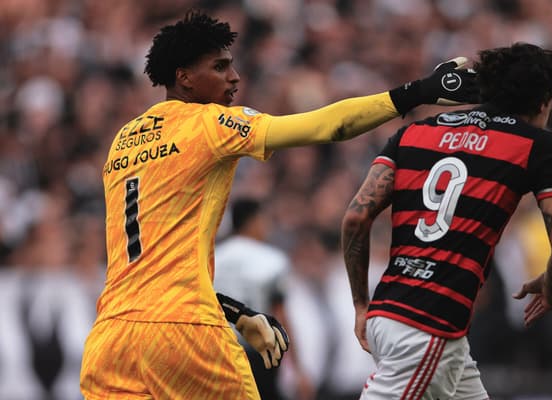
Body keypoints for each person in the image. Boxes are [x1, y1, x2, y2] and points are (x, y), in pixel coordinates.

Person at [79, 9, 479, 400]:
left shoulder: (123, 142)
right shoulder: (209, 124)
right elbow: (328, 126)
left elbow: (152, 270)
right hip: (183, 330)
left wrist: (236, 313)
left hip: (110, 339)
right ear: (184, 77)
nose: (234, 77)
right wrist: (417, 93)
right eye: (219, 67)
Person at [341, 42, 552, 400]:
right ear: (544, 101)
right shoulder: (536, 145)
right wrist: (550, 284)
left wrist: (361, 304)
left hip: (392, 312)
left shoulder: (413, 132)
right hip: (428, 323)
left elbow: (356, 217)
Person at [214, 197, 311, 400]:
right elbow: (281, 315)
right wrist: (298, 369)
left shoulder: (214, 258)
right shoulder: (272, 259)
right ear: (254, 221)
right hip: (259, 353)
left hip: (219, 351)